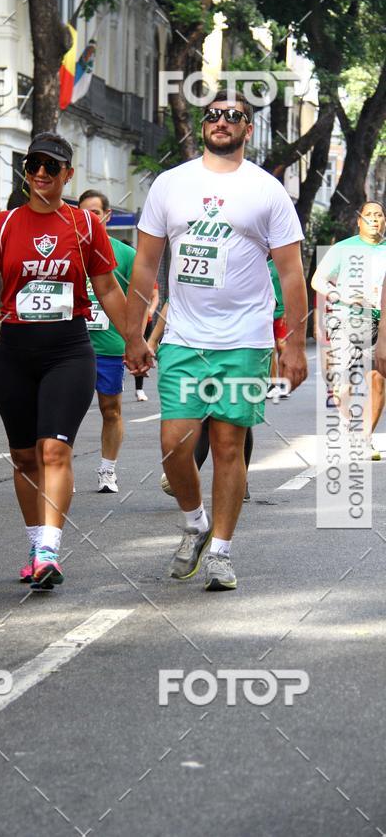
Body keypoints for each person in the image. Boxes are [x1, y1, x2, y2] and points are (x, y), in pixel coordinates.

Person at [125, 90, 307, 591]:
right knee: (172, 445)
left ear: (248, 129)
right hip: (184, 336)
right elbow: (144, 263)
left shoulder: (267, 190)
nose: (221, 121)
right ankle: (196, 523)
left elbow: (292, 274)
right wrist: (133, 331)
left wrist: (293, 344)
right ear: (202, 126)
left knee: (229, 445)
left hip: (245, 341)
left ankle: (221, 551)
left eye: (234, 116)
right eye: (214, 114)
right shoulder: (171, 184)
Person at [0, 132, 127, 588]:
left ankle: (50, 548)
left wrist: (136, 339)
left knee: (54, 449)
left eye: (51, 166)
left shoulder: (86, 226)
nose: (42, 174)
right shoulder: (2, 225)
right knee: (25, 456)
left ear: (68, 174)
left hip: (68, 350)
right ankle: (34, 543)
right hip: (15, 353)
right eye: (33, 166)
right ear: (26, 173)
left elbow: (107, 288)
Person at [150, 302, 254, 500]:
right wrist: (154, 340)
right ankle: (187, 474)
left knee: (235, 421)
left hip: (234, 347)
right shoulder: (192, 276)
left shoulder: (250, 273)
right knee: (202, 417)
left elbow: (264, 304)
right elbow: (172, 301)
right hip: (192, 349)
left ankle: (241, 478)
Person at [312, 201, 386, 460]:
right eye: (369, 216)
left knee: (377, 379)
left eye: (379, 215)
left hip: (381, 322)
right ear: (359, 221)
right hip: (347, 320)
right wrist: (339, 294)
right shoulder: (343, 249)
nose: (374, 220)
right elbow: (317, 280)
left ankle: (365, 439)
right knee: (343, 386)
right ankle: (347, 425)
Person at [78, 189, 136, 493]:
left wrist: (135, 339)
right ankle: (63, 471)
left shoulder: (124, 255)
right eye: (83, 213)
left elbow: (141, 297)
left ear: (107, 216)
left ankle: (107, 471)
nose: (89, 219)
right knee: (65, 411)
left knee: (110, 409)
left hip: (109, 347)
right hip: (71, 346)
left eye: (95, 213)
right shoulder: (66, 249)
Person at [267, 257, 289, 399]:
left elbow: (290, 286)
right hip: (268, 312)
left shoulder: (284, 263)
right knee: (271, 349)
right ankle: (273, 384)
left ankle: (283, 383)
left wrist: (288, 310)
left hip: (282, 312)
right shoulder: (266, 265)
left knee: (282, 346)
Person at [134, 282, 159, 401]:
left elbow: (155, 296)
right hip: (127, 318)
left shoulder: (147, 275)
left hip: (145, 320)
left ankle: (139, 389)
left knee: (142, 352)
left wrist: (151, 311)